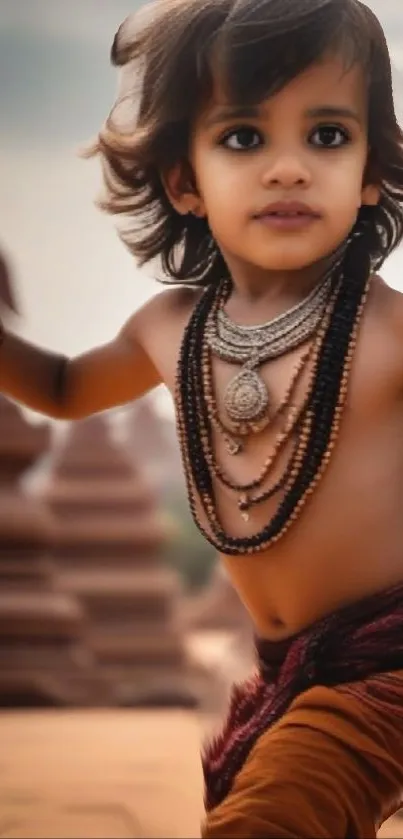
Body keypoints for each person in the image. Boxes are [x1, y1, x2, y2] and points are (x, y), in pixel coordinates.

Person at [2, 0, 403, 834]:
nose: (288, 168)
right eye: (244, 137)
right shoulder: (168, 328)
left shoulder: (388, 332)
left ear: (370, 172)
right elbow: (66, 389)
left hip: (387, 664)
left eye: (326, 136)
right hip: (287, 674)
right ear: (183, 180)